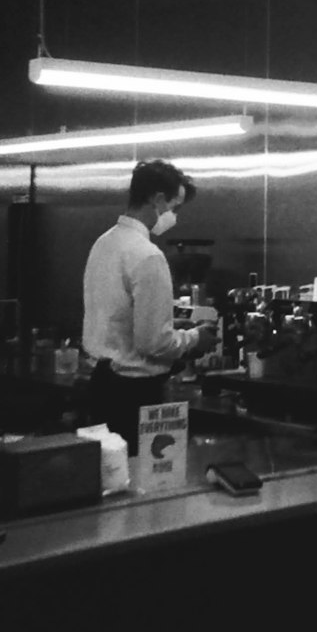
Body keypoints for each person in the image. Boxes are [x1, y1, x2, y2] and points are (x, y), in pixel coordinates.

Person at [83, 158, 219, 454]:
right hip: (133, 393)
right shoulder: (148, 255)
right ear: (157, 199)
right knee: (141, 479)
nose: (174, 216)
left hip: (100, 384)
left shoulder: (103, 244)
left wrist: (170, 326)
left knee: (110, 478)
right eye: (174, 207)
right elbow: (152, 343)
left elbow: (120, 317)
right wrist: (195, 338)